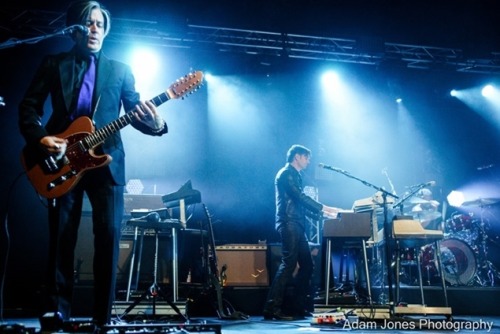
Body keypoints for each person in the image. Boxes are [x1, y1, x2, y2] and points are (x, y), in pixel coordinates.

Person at [18, 1, 168, 328]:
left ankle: (103, 316)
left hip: (106, 162)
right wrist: (42, 138)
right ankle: (57, 311)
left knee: (109, 237)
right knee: (61, 239)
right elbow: (28, 108)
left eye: (100, 24)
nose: (95, 29)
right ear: (73, 28)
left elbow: (135, 113)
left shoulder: (120, 70)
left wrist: (155, 123)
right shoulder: (53, 63)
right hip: (61, 161)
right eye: (88, 23)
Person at [263, 144, 339, 320]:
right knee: (288, 263)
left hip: (297, 224)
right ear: (297, 156)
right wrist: (325, 208)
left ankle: (297, 307)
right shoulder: (286, 174)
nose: (308, 161)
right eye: (306, 157)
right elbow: (300, 197)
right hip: (289, 223)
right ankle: (271, 308)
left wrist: (323, 214)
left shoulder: (295, 175)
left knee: (308, 264)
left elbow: (301, 205)